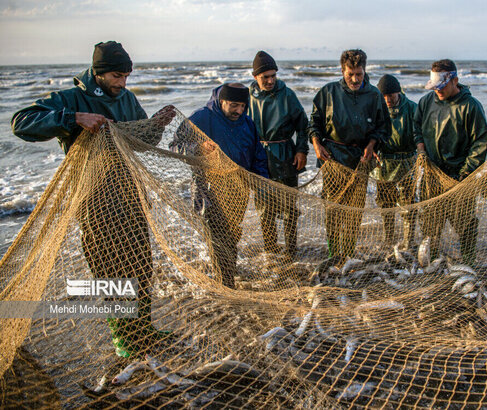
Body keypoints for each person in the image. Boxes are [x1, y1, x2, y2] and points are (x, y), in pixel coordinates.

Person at [11, 41, 175, 358]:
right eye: (117, 76)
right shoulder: (71, 98)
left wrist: (156, 124)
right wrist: (72, 118)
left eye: (127, 76)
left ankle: (145, 330)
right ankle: (124, 339)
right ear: (98, 73)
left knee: (141, 266)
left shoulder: (127, 99)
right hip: (96, 202)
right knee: (110, 271)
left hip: (132, 197)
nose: (123, 83)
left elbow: (141, 142)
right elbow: (21, 121)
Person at [172, 83, 269, 288]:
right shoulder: (201, 118)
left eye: (243, 106)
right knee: (217, 235)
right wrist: (197, 148)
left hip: (237, 189)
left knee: (232, 233)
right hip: (208, 189)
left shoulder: (247, 123)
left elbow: (257, 155)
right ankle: (225, 282)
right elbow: (175, 146)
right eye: (234, 105)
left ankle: (227, 271)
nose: (239, 111)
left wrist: (262, 183)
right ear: (221, 101)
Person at [308, 49, 390, 261]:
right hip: (333, 158)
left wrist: (372, 144)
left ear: (364, 71)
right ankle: (334, 254)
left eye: (359, 74)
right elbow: (314, 123)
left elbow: (383, 128)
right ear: (342, 71)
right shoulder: (328, 92)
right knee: (333, 210)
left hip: (360, 161)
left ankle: (348, 253)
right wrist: (317, 144)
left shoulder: (374, 95)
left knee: (354, 211)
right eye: (350, 74)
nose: (354, 79)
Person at [414, 59, 487, 263]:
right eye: (434, 86)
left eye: (442, 86)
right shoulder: (425, 102)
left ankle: (468, 262)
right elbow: (417, 129)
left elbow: (480, 143)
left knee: (465, 225)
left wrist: (466, 173)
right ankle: (434, 262)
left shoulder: (471, 106)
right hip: (432, 177)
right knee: (430, 225)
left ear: (455, 80)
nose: (437, 90)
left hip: (460, 178)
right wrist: (421, 150)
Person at [248, 51, 309, 258]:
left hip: (285, 155)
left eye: (273, 75)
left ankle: (291, 250)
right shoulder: (248, 98)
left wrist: (302, 150)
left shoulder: (287, 94)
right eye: (265, 77)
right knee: (265, 209)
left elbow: (303, 125)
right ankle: (271, 251)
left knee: (290, 208)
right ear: (255, 76)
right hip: (259, 160)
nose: (270, 80)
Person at [372, 74, 418, 249]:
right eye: (383, 96)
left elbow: (420, 134)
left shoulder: (413, 108)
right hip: (383, 163)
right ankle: (388, 238)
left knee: (408, 202)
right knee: (385, 202)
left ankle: (408, 240)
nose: (387, 99)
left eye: (391, 95)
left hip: (406, 160)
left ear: (398, 92)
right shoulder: (376, 109)